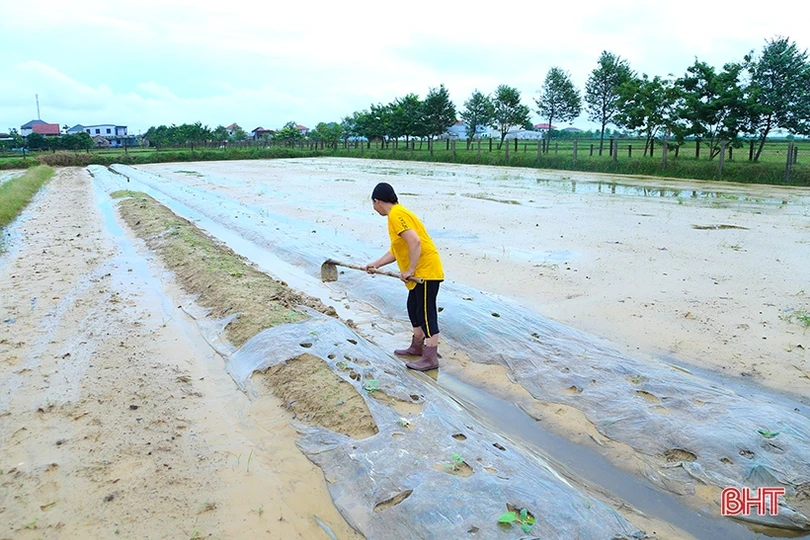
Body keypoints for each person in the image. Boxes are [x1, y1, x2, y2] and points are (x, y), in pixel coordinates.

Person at [365, 182, 444, 371]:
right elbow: (396, 251)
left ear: (377, 201)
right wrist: (376, 264)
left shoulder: (396, 215)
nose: (375, 209)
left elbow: (414, 241)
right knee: (413, 308)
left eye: (373, 205)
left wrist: (410, 269)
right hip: (420, 271)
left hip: (425, 272)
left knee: (426, 314)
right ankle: (417, 346)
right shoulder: (397, 214)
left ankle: (430, 356)